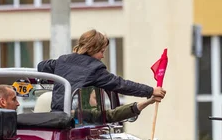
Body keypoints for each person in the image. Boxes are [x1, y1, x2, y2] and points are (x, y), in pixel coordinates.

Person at [37, 29, 166, 112]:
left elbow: (42, 66)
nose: (102, 56)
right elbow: (121, 84)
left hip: (56, 116)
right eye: (101, 51)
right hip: (78, 122)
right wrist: (151, 90)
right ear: (92, 48)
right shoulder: (95, 68)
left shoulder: (62, 60)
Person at [86, 89, 158, 123]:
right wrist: (148, 101)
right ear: (86, 99)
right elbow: (111, 115)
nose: (98, 103)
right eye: (96, 98)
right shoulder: (83, 115)